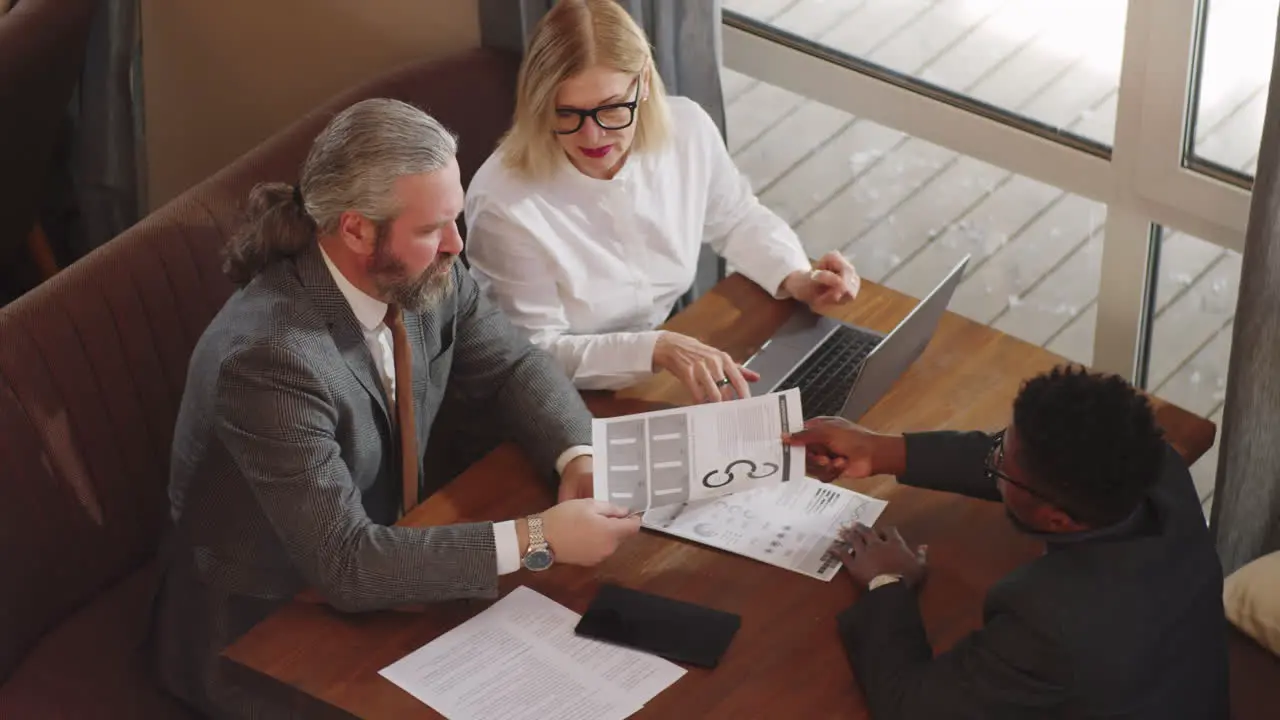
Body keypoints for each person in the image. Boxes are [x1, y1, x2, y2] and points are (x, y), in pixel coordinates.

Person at [151, 98, 641, 717]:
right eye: (434, 228)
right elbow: (348, 567)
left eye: (455, 218)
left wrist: (578, 456)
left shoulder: (422, 273)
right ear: (356, 228)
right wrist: (537, 537)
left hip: (389, 558)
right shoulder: (269, 361)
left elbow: (514, 365)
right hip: (267, 632)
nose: (456, 245)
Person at [463, 0, 861, 404]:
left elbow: (737, 218)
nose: (592, 137)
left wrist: (797, 277)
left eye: (612, 108)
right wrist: (657, 347)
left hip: (654, 379)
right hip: (555, 402)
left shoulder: (686, 129)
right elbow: (536, 353)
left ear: (645, 84)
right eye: (567, 113)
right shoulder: (504, 203)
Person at [786, 364, 1229, 719]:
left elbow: (911, 707)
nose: (992, 458)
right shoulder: (1157, 469)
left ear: (1056, 517)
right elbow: (1022, 464)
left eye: (1000, 465)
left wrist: (887, 583)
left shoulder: (1049, 623)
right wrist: (880, 451)